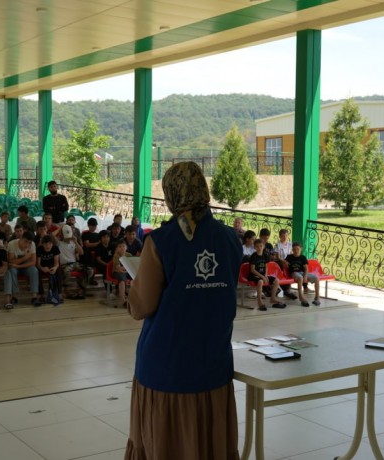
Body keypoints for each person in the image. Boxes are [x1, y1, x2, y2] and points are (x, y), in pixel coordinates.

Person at [125, 161, 242, 460]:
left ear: (171, 193)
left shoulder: (161, 241)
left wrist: (135, 285)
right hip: (213, 363)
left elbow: (141, 306)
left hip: (168, 367)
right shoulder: (230, 239)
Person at [7, 231, 41, 307]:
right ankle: (14, 296)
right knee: (12, 271)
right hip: (15, 266)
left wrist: (18, 265)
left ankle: (34, 297)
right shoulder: (12, 244)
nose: (27, 244)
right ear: (21, 238)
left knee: (34, 270)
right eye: (26, 241)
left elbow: (33, 262)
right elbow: (10, 261)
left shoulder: (32, 245)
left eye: (29, 242)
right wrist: (25, 257)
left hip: (24, 266)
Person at [248, 239, 284, 310]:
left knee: (276, 280)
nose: (259, 248)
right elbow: (252, 270)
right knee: (260, 281)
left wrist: (266, 275)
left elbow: (266, 266)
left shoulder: (265, 255)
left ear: (264, 246)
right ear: (254, 247)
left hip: (263, 275)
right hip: (254, 275)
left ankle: (273, 298)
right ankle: (259, 300)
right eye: (257, 246)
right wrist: (262, 277)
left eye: (261, 246)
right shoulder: (253, 256)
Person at [57, 224, 88, 299]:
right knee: (66, 271)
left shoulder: (73, 243)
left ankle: (81, 289)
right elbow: (51, 236)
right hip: (65, 265)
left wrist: (76, 242)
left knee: (89, 270)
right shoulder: (59, 243)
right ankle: (66, 291)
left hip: (74, 264)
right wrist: (60, 228)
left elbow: (81, 253)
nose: (68, 238)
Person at [285, 242, 320, 306]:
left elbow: (306, 268)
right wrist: (284, 263)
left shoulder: (303, 257)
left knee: (316, 278)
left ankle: (317, 297)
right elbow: (285, 264)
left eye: (297, 249)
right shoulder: (289, 257)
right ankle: (301, 297)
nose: (296, 251)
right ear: (292, 250)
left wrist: (305, 276)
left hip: (302, 273)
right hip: (294, 273)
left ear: (301, 249)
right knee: (300, 278)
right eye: (294, 249)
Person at [36, 234, 61, 305]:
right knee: (37, 273)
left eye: (50, 244)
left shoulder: (55, 248)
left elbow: (57, 263)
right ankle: (41, 294)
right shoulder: (39, 249)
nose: (48, 246)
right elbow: (38, 264)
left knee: (58, 272)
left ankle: (58, 294)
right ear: (42, 244)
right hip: (42, 266)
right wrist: (42, 268)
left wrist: (55, 268)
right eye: (45, 244)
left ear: (52, 244)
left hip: (52, 266)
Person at [111, 241, 130, 307]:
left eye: (123, 246)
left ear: (126, 247)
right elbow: (119, 268)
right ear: (116, 249)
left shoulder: (129, 255)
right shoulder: (116, 256)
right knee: (122, 280)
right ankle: (123, 301)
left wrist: (126, 269)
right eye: (120, 246)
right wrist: (126, 269)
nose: (122, 248)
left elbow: (132, 265)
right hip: (116, 272)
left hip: (126, 272)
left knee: (136, 278)